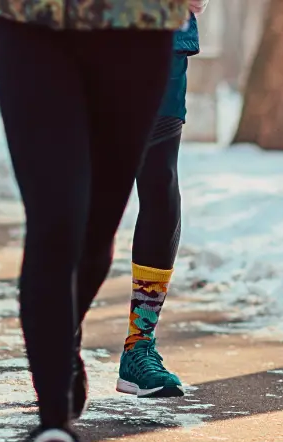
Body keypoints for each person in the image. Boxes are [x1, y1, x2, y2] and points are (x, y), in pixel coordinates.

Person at [0, 0, 190, 442]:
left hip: (138, 28)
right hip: (34, 23)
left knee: (96, 239)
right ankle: (55, 421)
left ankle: (67, 337)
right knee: (57, 222)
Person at [117, 7, 204, 400]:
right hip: (78, 28)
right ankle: (61, 341)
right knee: (78, 183)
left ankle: (139, 345)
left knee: (160, 178)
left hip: (163, 29)